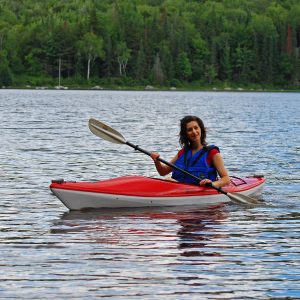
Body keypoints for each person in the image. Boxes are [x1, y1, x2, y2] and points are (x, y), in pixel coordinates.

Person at [150, 115, 230, 188]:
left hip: (202, 191)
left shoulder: (212, 153)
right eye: (190, 130)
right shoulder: (182, 153)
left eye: (196, 128)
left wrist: (212, 184)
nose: (194, 132)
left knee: (168, 180)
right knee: (168, 180)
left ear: (201, 129)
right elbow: (163, 172)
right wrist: (157, 161)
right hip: (179, 190)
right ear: (185, 134)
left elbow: (226, 179)